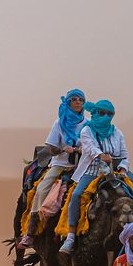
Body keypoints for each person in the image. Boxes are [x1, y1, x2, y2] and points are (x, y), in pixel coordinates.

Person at [58, 99, 133, 254]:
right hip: (92, 171)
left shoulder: (117, 132)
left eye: (109, 114)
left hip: (117, 171)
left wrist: (123, 169)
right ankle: (70, 237)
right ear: (96, 113)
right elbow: (90, 149)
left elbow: (125, 154)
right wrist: (101, 155)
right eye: (102, 113)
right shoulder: (87, 130)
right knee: (76, 195)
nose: (106, 116)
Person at [18, 88, 87, 248]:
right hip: (61, 165)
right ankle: (31, 232)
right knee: (41, 190)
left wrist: (82, 150)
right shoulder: (60, 123)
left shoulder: (88, 124)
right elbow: (50, 148)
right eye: (74, 99)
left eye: (80, 99)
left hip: (82, 166)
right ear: (68, 103)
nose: (77, 102)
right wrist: (64, 149)